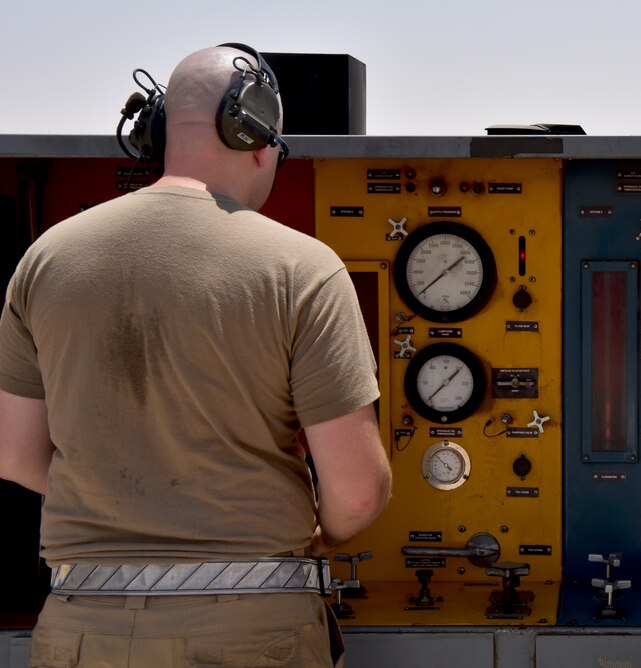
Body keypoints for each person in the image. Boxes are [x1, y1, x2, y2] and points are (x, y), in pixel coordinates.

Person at [0, 44, 392, 667]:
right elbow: (358, 495)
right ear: (257, 134)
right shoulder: (304, 269)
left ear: (157, 130)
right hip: (253, 632)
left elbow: (19, 457)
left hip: (82, 630)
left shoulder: (45, 260)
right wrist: (323, 533)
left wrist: (132, 498)